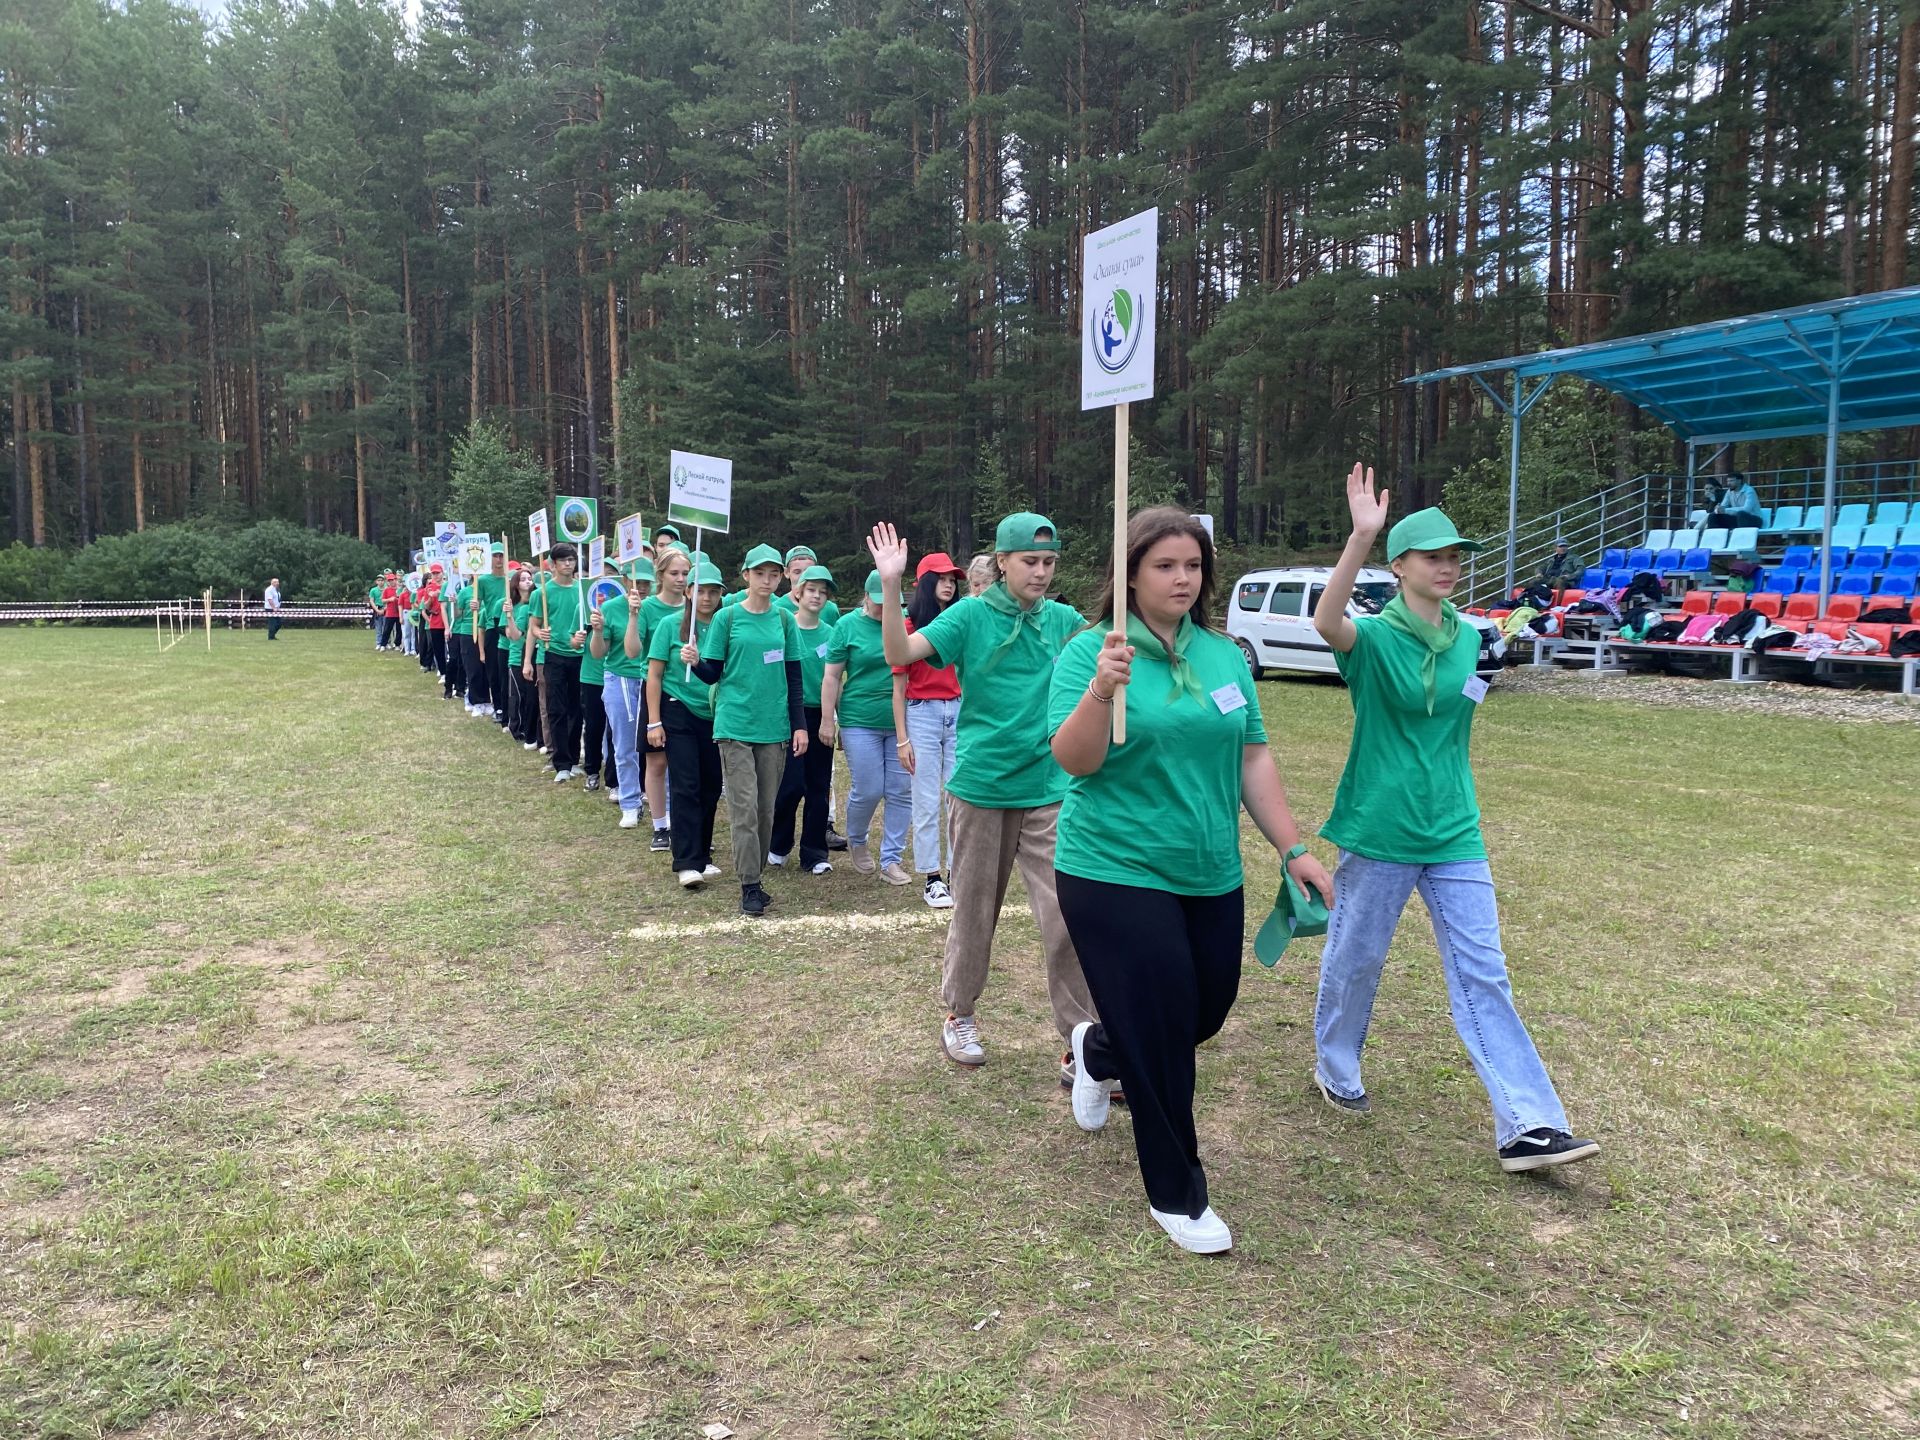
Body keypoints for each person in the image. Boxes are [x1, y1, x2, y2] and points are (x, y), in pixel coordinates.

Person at [1049, 507, 1333, 1256]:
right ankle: (1177, 1192)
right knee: (1168, 1033)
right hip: (1112, 868)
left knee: (1201, 1013)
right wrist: (1102, 690)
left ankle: (1100, 1048)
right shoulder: (1091, 653)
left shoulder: (1224, 657)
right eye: (1165, 566)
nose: (1183, 578)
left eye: (1194, 566)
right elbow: (1073, 761)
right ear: (1131, 574)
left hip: (1208, 870)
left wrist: (1293, 847)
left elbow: (1252, 758)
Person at [1309, 465, 1599, 1174]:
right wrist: (1359, 537)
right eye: (1432, 555)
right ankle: (1336, 1064)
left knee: (1484, 973)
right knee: (1356, 960)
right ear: (1400, 565)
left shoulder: (1470, 638)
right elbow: (1325, 620)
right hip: (1380, 828)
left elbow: (1463, 709)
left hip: (1454, 829)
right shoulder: (1373, 640)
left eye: (1454, 556)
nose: (1447, 566)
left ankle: (1529, 1125)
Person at [869, 514, 1098, 1078]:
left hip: (1049, 788)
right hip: (981, 788)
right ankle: (959, 1013)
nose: (1042, 573)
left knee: (1068, 914)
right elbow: (900, 653)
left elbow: (1111, 648)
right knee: (974, 910)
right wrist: (893, 582)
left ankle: (1083, 1041)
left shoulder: (1063, 620)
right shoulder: (970, 614)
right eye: (1030, 562)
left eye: (1049, 563)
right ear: (1002, 562)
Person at [689, 544, 808, 917]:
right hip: (735, 724)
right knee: (743, 808)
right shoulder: (727, 617)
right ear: (746, 576)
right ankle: (749, 884)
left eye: (774, 574)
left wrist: (800, 725)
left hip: (774, 727)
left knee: (765, 809)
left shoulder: (785, 620)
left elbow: (793, 677)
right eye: (760, 574)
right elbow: (713, 671)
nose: (767, 581)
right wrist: (694, 662)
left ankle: (755, 874)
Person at [822, 570, 912, 885]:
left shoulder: (904, 623)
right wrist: (827, 720)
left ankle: (892, 859)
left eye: (890, 602)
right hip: (859, 719)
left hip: (900, 721)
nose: (883, 608)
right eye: (878, 602)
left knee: (901, 790)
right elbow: (832, 676)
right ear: (866, 597)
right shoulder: (846, 627)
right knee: (869, 788)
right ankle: (857, 839)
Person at [648, 562, 728, 888]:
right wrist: (654, 722)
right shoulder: (670, 625)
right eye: (700, 590)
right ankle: (685, 862)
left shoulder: (726, 624)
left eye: (713, 591)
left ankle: (703, 856)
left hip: (714, 714)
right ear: (689, 591)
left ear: (722, 593)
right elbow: (654, 674)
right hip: (677, 709)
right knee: (686, 785)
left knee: (711, 785)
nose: (706, 597)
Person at [893, 552, 965, 907]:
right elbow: (898, 687)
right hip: (921, 713)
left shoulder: (962, 623)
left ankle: (957, 873)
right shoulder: (908, 627)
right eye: (941, 578)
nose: (949, 584)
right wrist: (902, 738)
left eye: (953, 579)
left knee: (959, 797)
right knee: (925, 798)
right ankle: (932, 877)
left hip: (958, 711)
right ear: (924, 584)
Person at [769, 564, 838, 875]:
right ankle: (778, 845)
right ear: (797, 593)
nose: (817, 596)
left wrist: (829, 719)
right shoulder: (783, 629)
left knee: (818, 785)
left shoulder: (831, 634)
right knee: (790, 785)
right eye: (812, 590)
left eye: (823, 593)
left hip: (819, 715)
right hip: (788, 716)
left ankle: (814, 853)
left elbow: (837, 679)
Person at [592, 561, 654, 826]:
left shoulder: (656, 608)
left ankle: (659, 800)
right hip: (621, 678)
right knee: (625, 744)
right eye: (636, 582)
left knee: (657, 747)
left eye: (646, 582)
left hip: (653, 680)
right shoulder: (610, 608)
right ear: (625, 580)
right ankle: (630, 801)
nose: (640, 587)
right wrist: (596, 631)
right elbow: (598, 653)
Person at [638, 548, 692, 852]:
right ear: (661, 575)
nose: (680, 579)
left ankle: (686, 825)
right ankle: (660, 826)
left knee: (686, 767)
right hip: (657, 690)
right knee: (656, 760)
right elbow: (634, 650)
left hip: (691, 695)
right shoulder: (648, 607)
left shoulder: (697, 605)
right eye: (674, 573)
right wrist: (633, 616)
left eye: (685, 573)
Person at [529, 544, 588, 782]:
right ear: (553, 564)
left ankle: (574, 759)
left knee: (577, 708)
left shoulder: (582, 590)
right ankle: (561, 762)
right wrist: (539, 632)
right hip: (552, 655)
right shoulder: (541, 593)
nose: (568, 564)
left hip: (579, 655)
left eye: (571, 559)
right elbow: (533, 623)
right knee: (556, 709)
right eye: (563, 560)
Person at [503, 568, 540, 748]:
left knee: (532, 697)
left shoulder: (534, 606)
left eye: (529, 578)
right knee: (518, 696)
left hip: (534, 656)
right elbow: (514, 635)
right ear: (516, 585)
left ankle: (530, 729)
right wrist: (509, 616)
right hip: (517, 656)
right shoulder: (516, 607)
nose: (527, 581)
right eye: (523, 579)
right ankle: (517, 728)